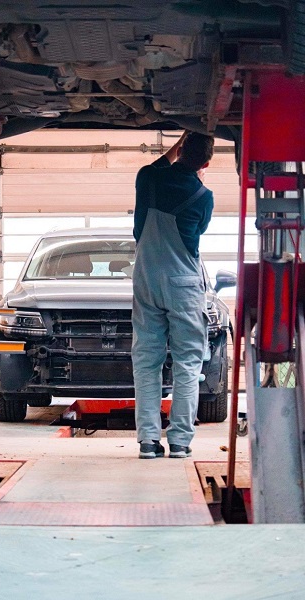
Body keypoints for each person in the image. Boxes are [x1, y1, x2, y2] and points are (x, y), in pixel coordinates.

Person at [132, 131, 214, 459]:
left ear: (179, 151)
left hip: (147, 279)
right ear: (206, 163)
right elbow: (199, 231)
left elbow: (157, 167)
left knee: (147, 361)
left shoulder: (148, 178)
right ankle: (180, 441)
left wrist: (178, 146)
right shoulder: (203, 195)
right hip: (184, 283)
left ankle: (149, 442)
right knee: (188, 363)